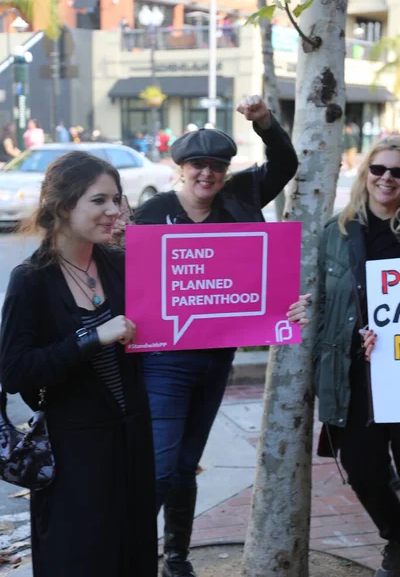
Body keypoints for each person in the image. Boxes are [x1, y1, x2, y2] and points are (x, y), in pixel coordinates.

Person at [133, 94, 305, 577]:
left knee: (186, 465)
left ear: (227, 171)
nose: (207, 173)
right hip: (164, 359)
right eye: (197, 165)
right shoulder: (152, 214)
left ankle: (177, 557)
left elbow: (286, 162)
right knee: (162, 467)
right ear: (180, 168)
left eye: (217, 166)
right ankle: (133, 553)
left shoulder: (241, 197)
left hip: (217, 358)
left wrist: (265, 122)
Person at [0, 152, 157, 577]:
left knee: (135, 556)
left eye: (117, 199)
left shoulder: (121, 263)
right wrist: (90, 337)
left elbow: (191, 312)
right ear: (64, 205)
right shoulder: (31, 279)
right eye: (99, 200)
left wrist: (277, 313)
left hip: (132, 441)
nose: (114, 211)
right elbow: (15, 371)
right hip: (75, 455)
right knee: (83, 560)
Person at [314, 136, 400, 577]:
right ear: (366, 174)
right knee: (362, 469)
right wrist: (306, 305)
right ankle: (397, 537)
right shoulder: (339, 231)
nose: (387, 179)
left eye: (397, 172)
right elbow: (325, 298)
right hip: (354, 373)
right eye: (379, 169)